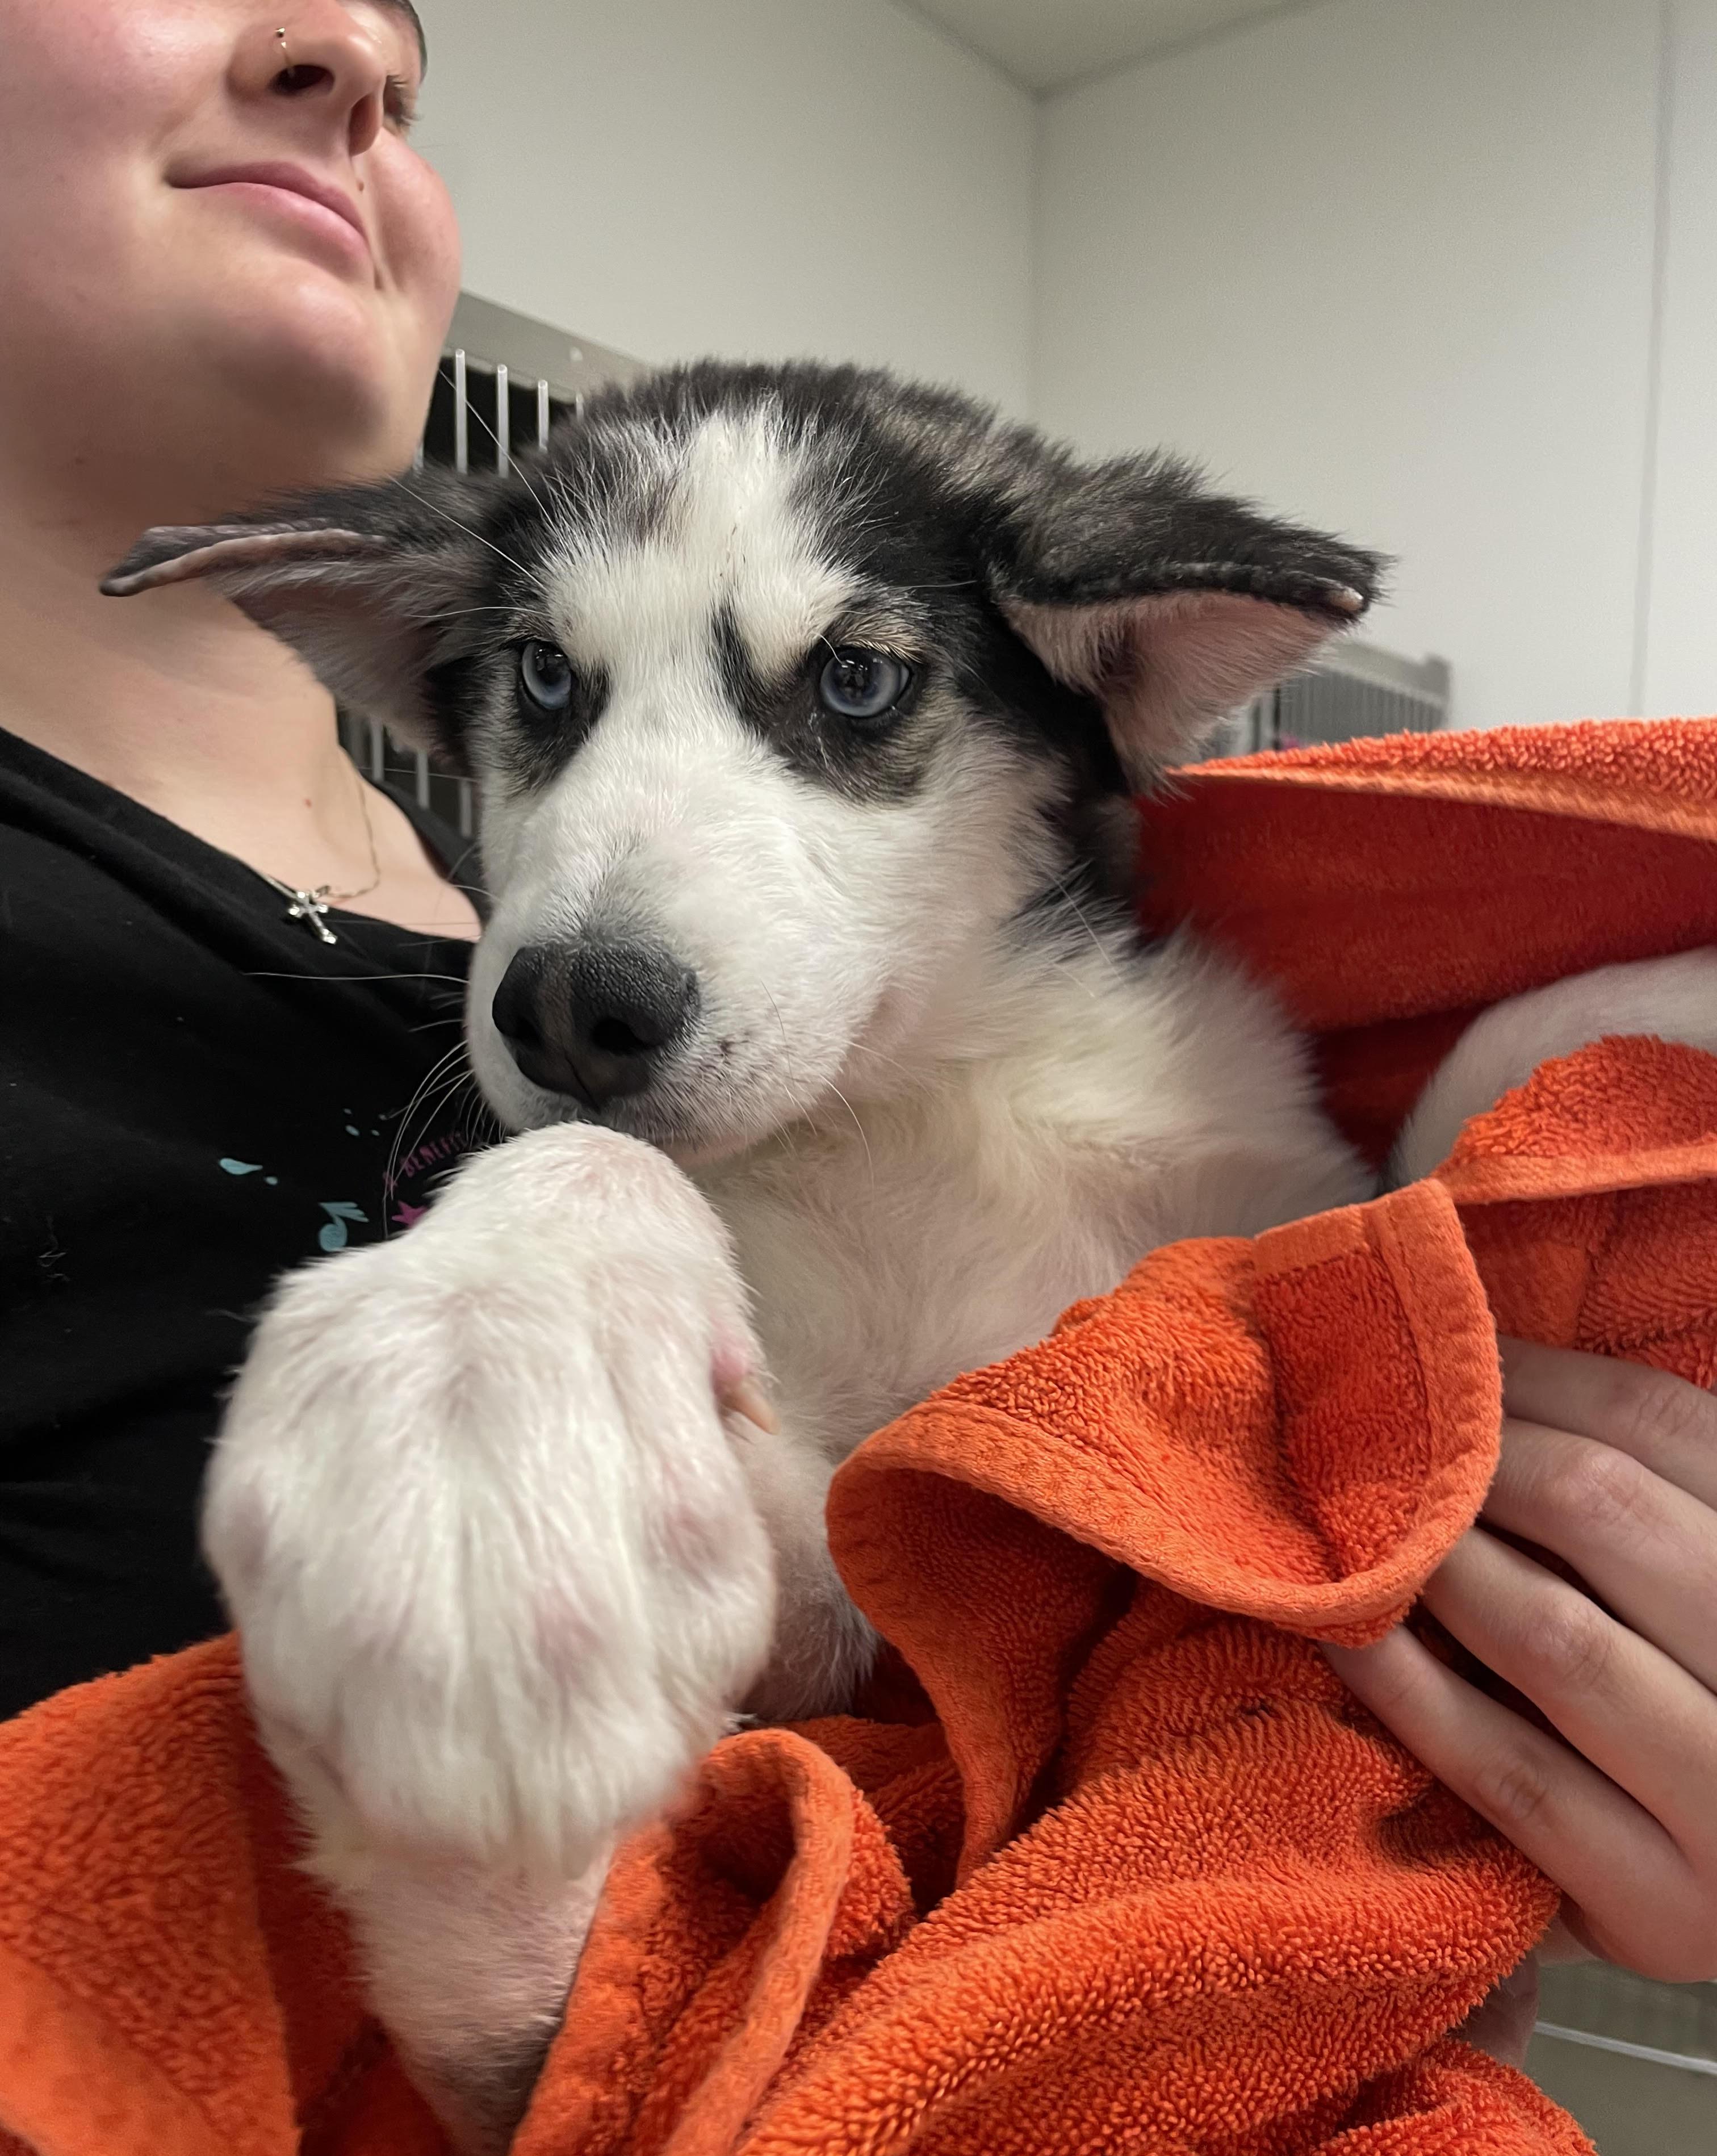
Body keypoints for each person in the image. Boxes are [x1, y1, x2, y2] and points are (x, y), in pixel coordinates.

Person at [0, 0, 1711, 2032]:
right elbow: (851, 1604)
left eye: (856, 686)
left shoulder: (1178, 1052)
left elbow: (1399, 1372)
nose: (347, 48)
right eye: (545, 689)